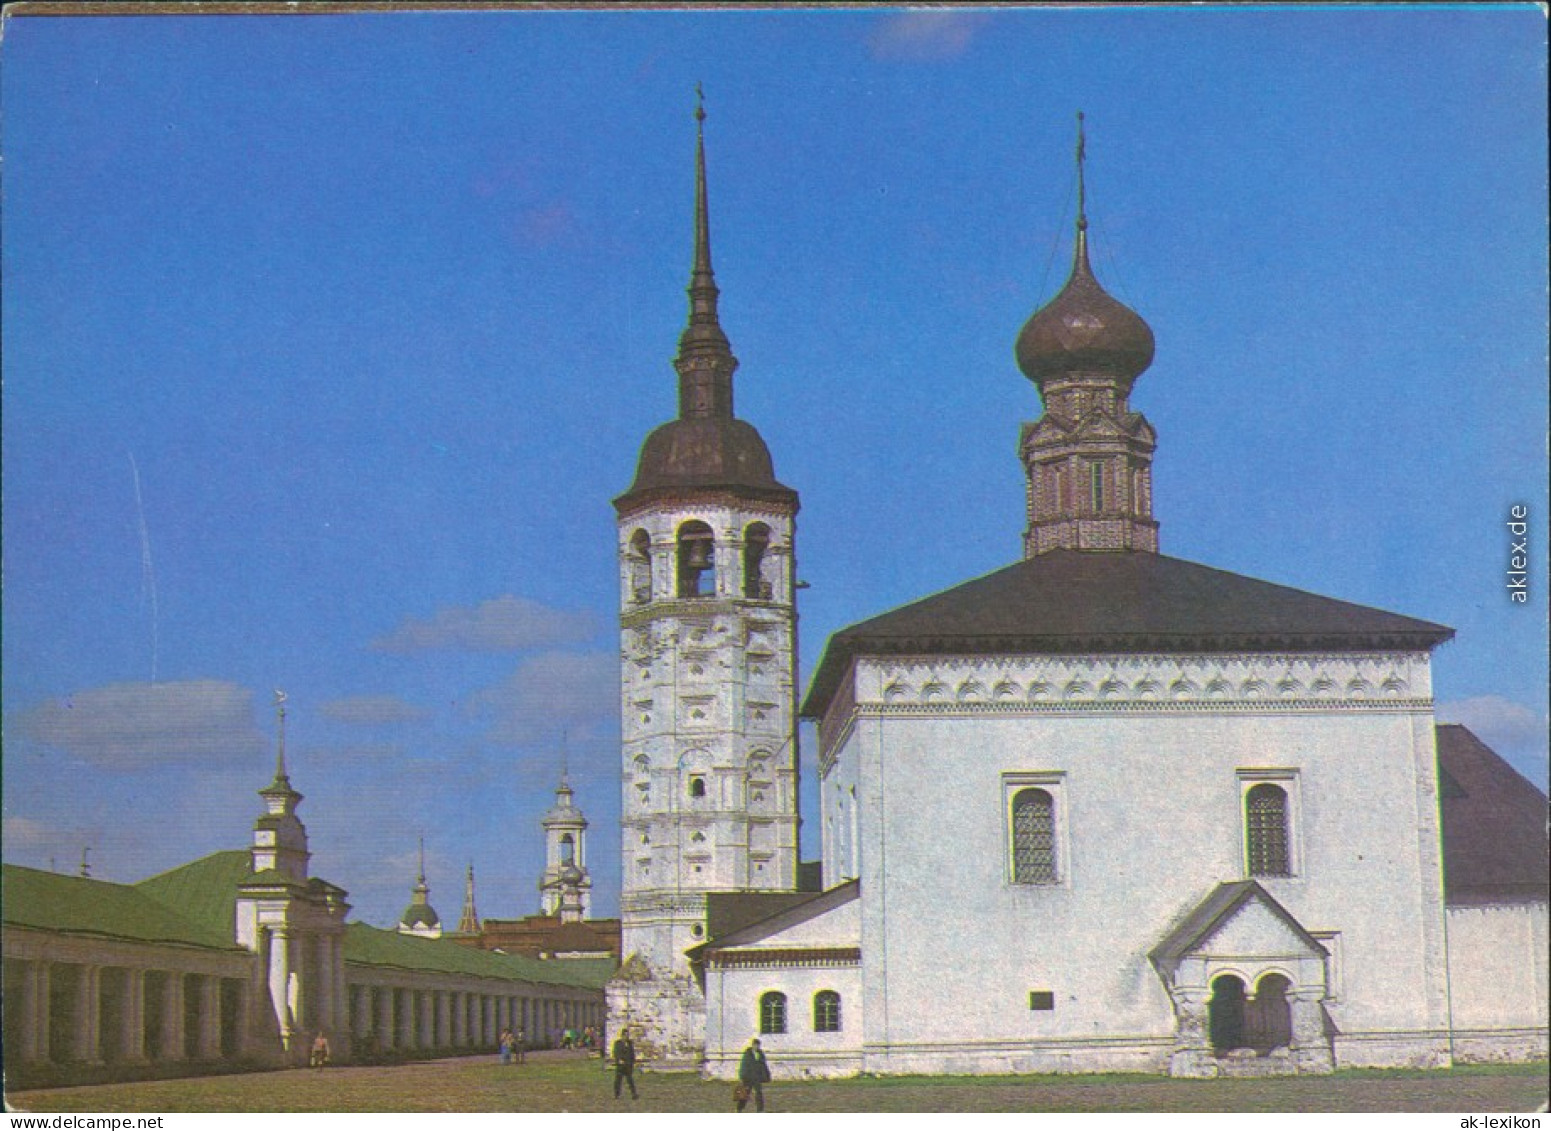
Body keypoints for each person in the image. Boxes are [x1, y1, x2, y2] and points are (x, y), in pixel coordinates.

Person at [736, 1037, 771, 1112]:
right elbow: (743, 1066)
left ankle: (760, 1110)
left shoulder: (760, 1054)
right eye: (755, 1045)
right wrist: (742, 1076)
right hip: (748, 1077)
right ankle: (739, 1108)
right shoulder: (747, 1054)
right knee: (745, 1093)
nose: (757, 1047)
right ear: (752, 1045)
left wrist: (766, 1075)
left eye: (758, 1045)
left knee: (759, 1094)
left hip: (757, 1077)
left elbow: (763, 1065)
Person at [611, 1028, 639, 1100]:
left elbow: (632, 1053)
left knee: (630, 1080)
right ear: (622, 1035)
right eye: (625, 1035)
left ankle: (634, 1094)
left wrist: (633, 1062)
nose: (626, 1037)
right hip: (620, 1065)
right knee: (618, 1081)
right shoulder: (617, 1043)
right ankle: (617, 1094)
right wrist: (619, 1059)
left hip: (628, 1065)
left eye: (627, 1035)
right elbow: (616, 1052)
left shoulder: (629, 1043)